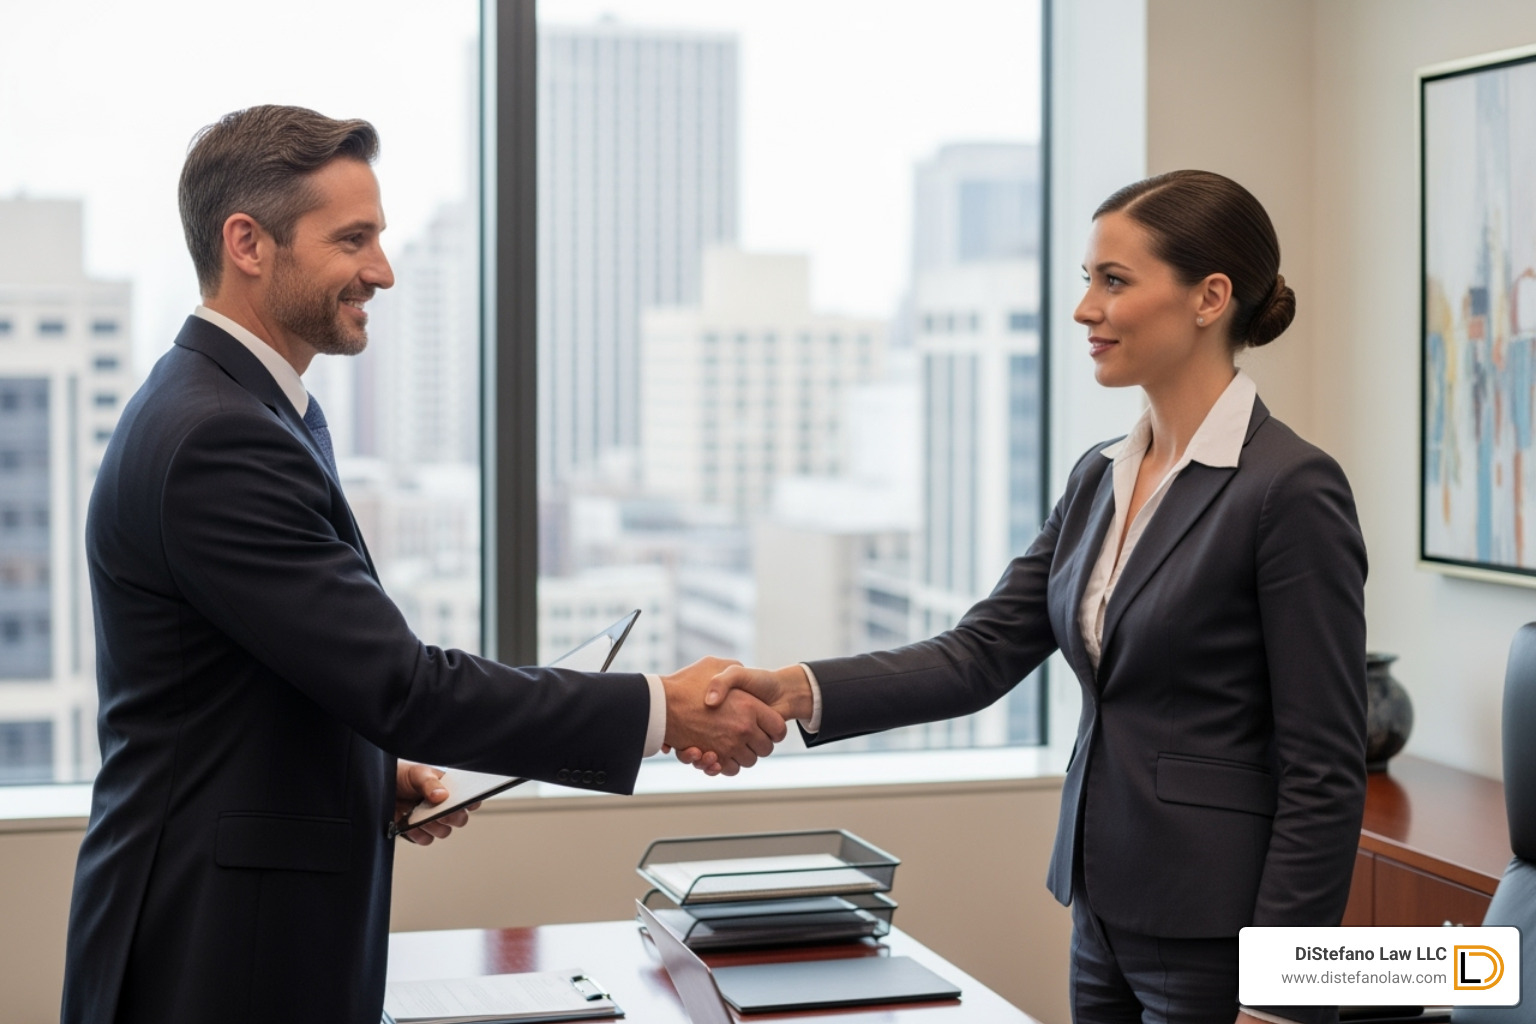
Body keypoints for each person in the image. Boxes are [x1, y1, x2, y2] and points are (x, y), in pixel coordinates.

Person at [61, 105, 786, 1024]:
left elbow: (276, 679)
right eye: (352, 239)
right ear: (247, 242)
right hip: (211, 948)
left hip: (239, 928)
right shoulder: (219, 436)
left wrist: (366, 777)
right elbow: (401, 685)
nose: (383, 270)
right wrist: (660, 707)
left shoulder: (239, 410)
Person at [691, 171, 1368, 1024]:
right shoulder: (1101, 476)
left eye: (1113, 281)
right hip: (1102, 911)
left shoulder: (1289, 489)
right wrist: (792, 690)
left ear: (1210, 297)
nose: (1086, 308)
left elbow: (1326, 769)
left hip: (1223, 937)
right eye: (1087, 280)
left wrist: (1283, 998)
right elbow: (979, 655)